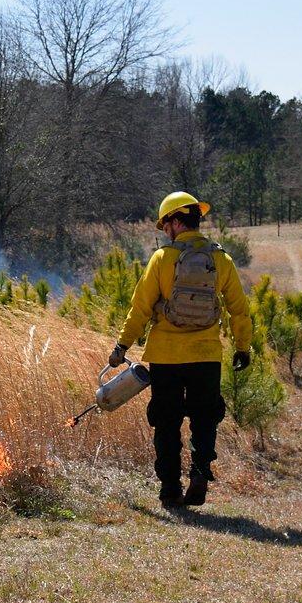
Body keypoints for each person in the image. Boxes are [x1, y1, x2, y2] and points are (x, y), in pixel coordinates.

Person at [109, 192, 253, 509]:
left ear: (176, 222)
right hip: (207, 355)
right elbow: (239, 310)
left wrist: (123, 345)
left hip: (166, 356)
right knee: (205, 418)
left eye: (165, 226)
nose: (165, 232)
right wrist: (242, 346)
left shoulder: (162, 260)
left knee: (166, 421)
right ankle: (200, 474)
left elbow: (140, 309)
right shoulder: (221, 260)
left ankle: (170, 490)